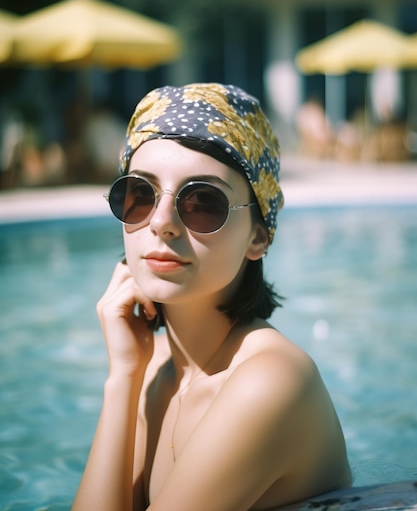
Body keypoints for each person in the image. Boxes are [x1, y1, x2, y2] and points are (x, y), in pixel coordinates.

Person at [71, 83, 351, 511]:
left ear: (258, 237)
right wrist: (122, 377)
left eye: (203, 201)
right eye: (141, 195)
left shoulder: (272, 381)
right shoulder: (153, 368)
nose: (161, 223)